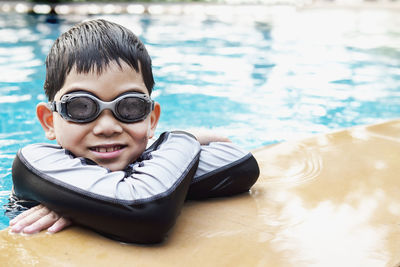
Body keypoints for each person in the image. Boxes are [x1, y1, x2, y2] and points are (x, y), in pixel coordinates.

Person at [8, 19, 259, 243]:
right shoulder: (35, 162)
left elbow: (241, 164)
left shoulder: (146, 158)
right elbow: (145, 210)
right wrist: (184, 140)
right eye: (81, 107)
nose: (108, 127)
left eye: (129, 106)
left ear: (151, 120)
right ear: (49, 122)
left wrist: (91, 205)